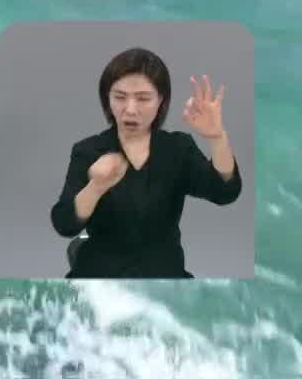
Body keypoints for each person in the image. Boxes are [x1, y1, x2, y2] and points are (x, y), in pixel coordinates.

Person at [50, 48, 240, 278]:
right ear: (107, 99)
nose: (130, 109)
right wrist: (95, 188)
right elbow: (64, 223)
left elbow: (224, 192)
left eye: (143, 98)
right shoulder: (88, 151)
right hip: (100, 276)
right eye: (119, 97)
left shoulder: (178, 149)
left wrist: (217, 137)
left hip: (165, 277)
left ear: (161, 100)